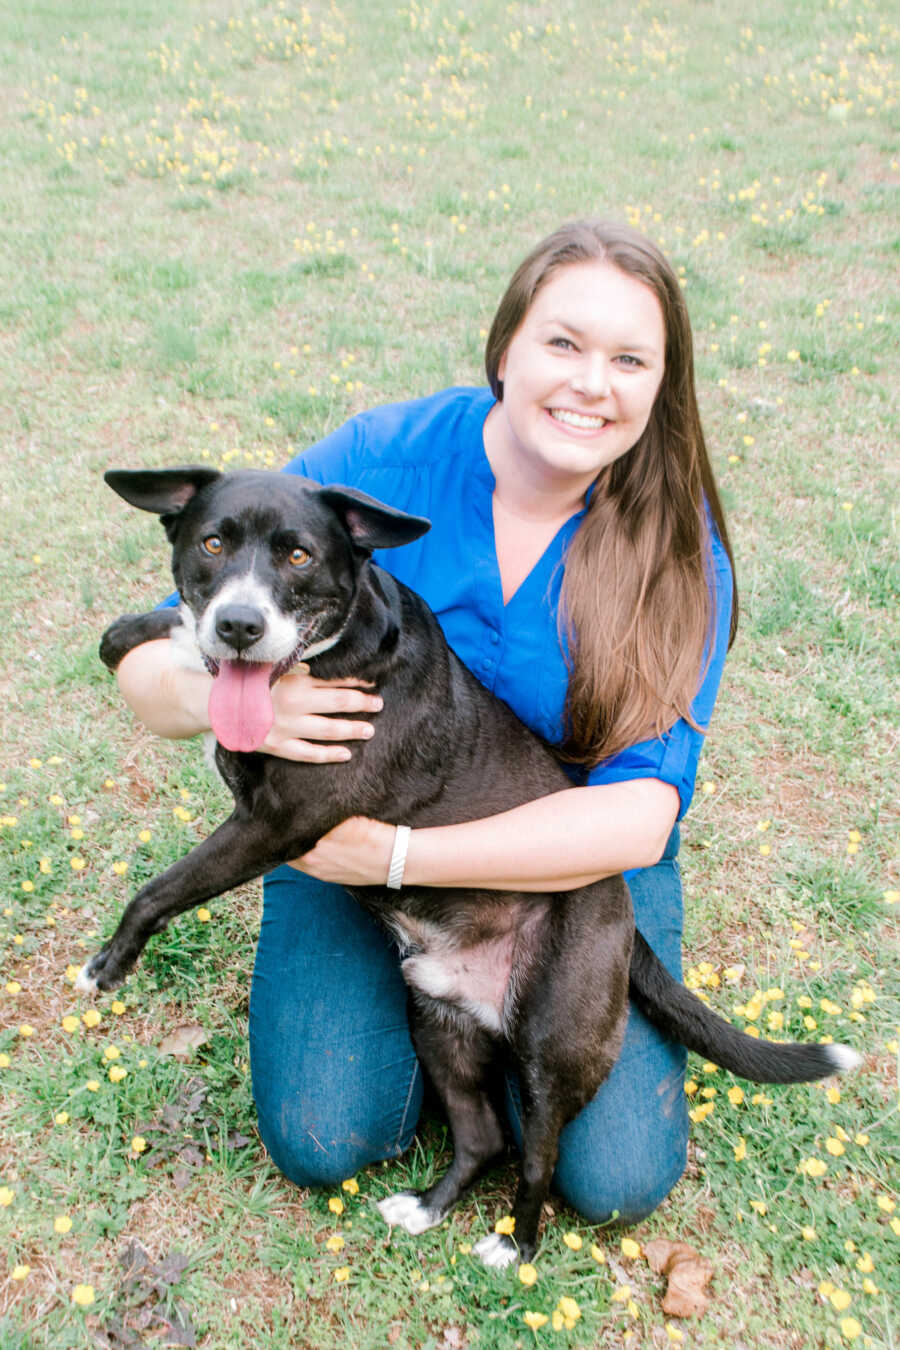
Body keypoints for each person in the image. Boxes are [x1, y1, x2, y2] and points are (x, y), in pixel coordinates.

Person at [115, 219, 737, 1225]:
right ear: (506, 348)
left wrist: (394, 856)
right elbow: (164, 641)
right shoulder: (382, 460)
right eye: (564, 344)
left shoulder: (679, 551)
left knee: (615, 1179)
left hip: (559, 859)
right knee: (325, 1137)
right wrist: (223, 703)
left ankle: (501, 1041)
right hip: (338, 830)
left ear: (661, 385)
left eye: (630, 359)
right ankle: (464, 1048)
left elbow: (634, 822)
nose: (591, 383)